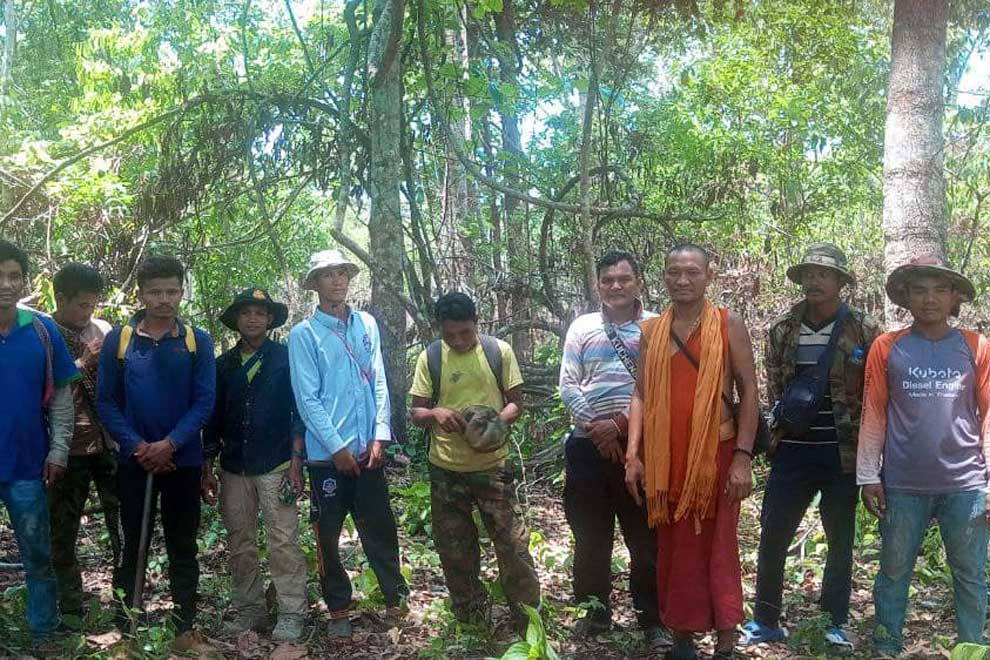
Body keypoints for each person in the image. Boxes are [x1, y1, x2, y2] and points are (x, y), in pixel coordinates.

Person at [742, 244, 880, 651]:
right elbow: (776, 389)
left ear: (841, 282)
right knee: (773, 534)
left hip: (842, 453)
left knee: (840, 540)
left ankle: (834, 621)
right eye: (808, 274)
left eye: (824, 274)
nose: (814, 281)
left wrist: (874, 458)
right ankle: (765, 619)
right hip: (793, 451)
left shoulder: (864, 329)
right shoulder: (783, 329)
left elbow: (875, 393)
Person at [625, 243, 758, 660]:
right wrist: (634, 454)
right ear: (662, 277)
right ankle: (682, 634)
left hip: (716, 453)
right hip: (667, 457)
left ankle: (725, 636)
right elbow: (641, 394)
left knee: (719, 542)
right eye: (673, 272)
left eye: (692, 272)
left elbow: (749, 390)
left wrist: (742, 456)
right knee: (674, 545)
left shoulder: (726, 324)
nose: (682, 280)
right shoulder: (651, 332)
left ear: (708, 276)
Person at [858, 255, 990, 658]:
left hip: (966, 483)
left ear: (954, 298)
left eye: (939, 290)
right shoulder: (888, 346)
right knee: (894, 570)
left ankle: (970, 648)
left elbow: (988, 417)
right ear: (906, 297)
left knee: (969, 574)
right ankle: (886, 645)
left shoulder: (976, 346)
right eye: (919, 290)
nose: (929, 299)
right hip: (903, 484)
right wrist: (868, 475)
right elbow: (874, 411)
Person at [96, 256, 216, 653]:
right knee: (134, 545)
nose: (164, 299)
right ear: (141, 294)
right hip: (135, 462)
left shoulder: (197, 339)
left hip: (182, 461)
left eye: (172, 291)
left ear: (182, 291)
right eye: (155, 292)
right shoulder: (121, 339)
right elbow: (107, 401)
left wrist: (171, 444)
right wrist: (138, 446)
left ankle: (184, 631)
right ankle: (126, 633)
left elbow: (204, 401)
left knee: (184, 546)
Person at [288, 249, 408, 639]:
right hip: (328, 459)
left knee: (380, 527)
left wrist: (380, 434)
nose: (337, 281)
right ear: (316, 284)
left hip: (368, 452)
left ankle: (396, 599)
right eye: (328, 275)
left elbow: (378, 382)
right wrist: (336, 447)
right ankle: (338, 608)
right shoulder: (304, 335)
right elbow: (308, 398)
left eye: (342, 273)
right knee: (328, 533)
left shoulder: (367, 324)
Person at [409, 292, 540, 631]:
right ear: (440, 329)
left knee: (512, 545)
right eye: (450, 335)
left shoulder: (498, 352)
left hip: (493, 467)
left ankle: (527, 619)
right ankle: (471, 616)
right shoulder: (432, 358)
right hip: (446, 468)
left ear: (476, 323)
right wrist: (435, 413)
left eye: (465, 333)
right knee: (455, 548)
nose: (458, 340)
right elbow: (416, 411)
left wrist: (494, 423)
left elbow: (516, 403)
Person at [558, 251, 668, 650]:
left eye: (624, 279)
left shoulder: (657, 326)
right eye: (608, 280)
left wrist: (620, 426)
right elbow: (568, 384)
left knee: (645, 536)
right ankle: (593, 614)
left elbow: (660, 388)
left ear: (638, 281)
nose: (616, 286)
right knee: (589, 536)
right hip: (588, 448)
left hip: (640, 448)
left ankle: (653, 618)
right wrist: (599, 429)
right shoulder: (582, 327)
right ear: (598, 284)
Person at [202, 288, 308, 641]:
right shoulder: (223, 365)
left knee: (283, 540)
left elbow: (298, 413)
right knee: (240, 540)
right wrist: (208, 464)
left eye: (260, 313)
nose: (252, 319)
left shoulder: (285, 359)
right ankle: (250, 611)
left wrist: (296, 463)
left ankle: (292, 612)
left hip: (277, 464)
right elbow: (213, 419)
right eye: (245, 313)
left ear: (270, 320)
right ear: (235, 320)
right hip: (234, 467)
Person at [0, 240, 78, 648]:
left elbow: (63, 396)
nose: (6, 285)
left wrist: (59, 449)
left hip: (27, 464)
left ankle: (44, 632)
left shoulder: (43, 331)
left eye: (14, 276)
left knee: (37, 554)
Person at [47, 263, 122, 622]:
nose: (87, 313)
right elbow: (41, 388)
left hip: (107, 444)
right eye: (80, 305)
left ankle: (127, 601)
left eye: (92, 305)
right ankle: (71, 608)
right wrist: (81, 361)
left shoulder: (103, 330)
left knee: (121, 522)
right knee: (63, 531)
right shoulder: (42, 332)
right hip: (66, 450)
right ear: (60, 298)